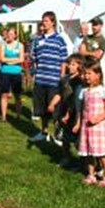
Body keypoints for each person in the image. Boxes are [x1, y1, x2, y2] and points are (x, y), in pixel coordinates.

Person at [77, 61, 105, 187]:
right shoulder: (84, 91)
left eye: (89, 73)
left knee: (101, 153)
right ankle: (91, 174)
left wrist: (99, 118)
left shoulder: (102, 90)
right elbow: (81, 110)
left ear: (98, 75)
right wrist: (78, 123)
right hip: (87, 127)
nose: (86, 76)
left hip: (99, 127)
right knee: (89, 152)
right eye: (84, 74)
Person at [30, 12, 68, 141]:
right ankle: (44, 132)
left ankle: (58, 134)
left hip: (54, 80)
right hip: (40, 79)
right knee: (42, 109)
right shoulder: (38, 40)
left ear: (53, 22)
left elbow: (64, 60)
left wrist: (62, 77)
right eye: (42, 21)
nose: (43, 23)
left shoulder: (59, 39)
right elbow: (34, 58)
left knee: (55, 109)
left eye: (46, 21)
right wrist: (34, 73)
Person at [47, 53, 85, 167]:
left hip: (75, 112)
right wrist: (52, 104)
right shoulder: (64, 79)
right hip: (63, 110)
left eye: (73, 64)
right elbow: (59, 93)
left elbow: (76, 99)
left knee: (78, 139)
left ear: (80, 65)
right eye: (69, 64)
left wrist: (69, 113)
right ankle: (66, 157)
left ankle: (83, 161)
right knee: (65, 138)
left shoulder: (80, 81)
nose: (70, 66)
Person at [0, 27, 24, 122]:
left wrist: (8, 61)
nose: (10, 36)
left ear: (15, 35)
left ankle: (18, 115)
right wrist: (15, 60)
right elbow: (1, 59)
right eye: (9, 34)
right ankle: (4, 116)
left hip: (16, 73)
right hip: (5, 72)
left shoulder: (20, 45)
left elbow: (21, 59)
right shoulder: (3, 45)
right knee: (4, 94)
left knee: (17, 95)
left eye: (12, 34)